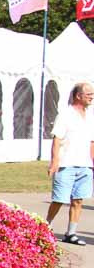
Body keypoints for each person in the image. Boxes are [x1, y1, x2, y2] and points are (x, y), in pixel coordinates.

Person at [47, 82, 94, 245]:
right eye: (88, 94)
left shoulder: (90, 116)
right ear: (78, 95)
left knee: (78, 200)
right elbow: (57, 139)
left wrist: (92, 164)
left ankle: (71, 233)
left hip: (85, 165)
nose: (91, 96)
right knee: (59, 199)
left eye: (92, 94)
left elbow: (92, 141)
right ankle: (46, 227)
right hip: (66, 164)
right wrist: (54, 162)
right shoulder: (66, 114)